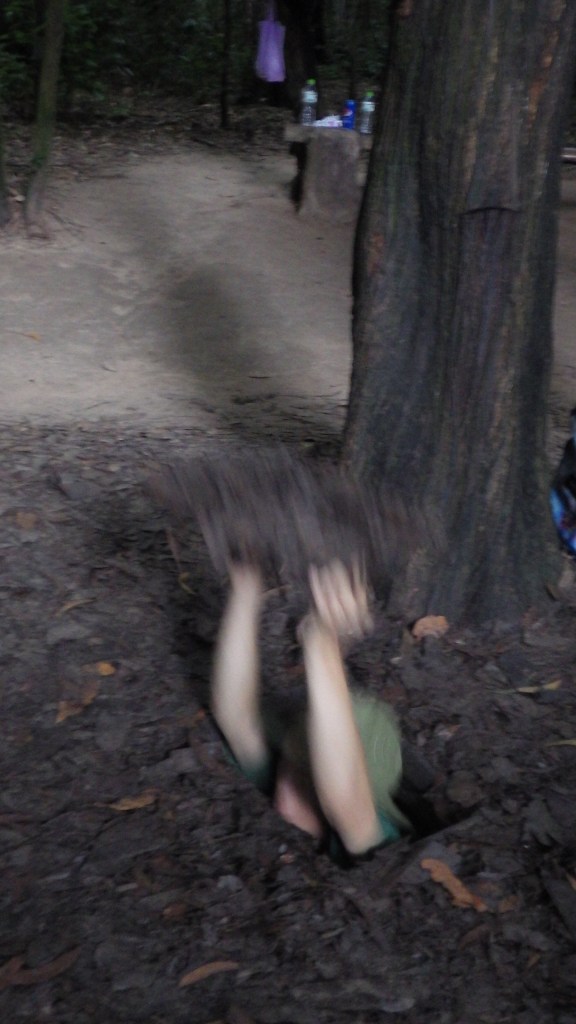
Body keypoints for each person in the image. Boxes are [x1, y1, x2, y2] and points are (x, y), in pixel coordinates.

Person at [211, 557, 410, 862]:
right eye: (291, 768)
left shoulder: (366, 840)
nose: (285, 799)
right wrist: (246, 585)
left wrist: (322, 642)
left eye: (313, 785)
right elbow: (235, 717)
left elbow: (350, 804)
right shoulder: (278, 783)